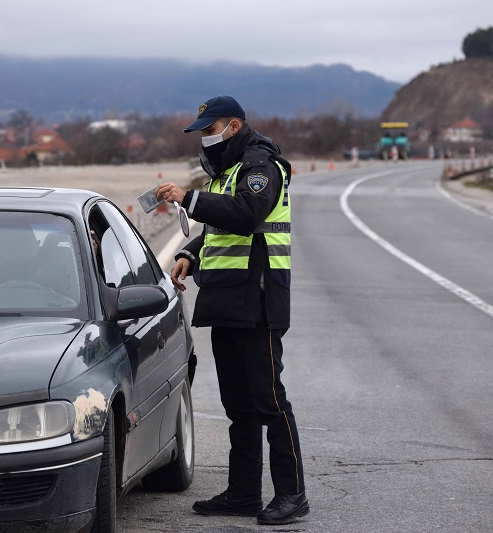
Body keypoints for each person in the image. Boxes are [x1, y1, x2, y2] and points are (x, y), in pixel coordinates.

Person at [155, 95, 308, 526]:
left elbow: (247, 214)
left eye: (210, 128)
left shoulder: (262, 167)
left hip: (258, 301)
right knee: (238, 405)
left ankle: (293, 494)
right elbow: (222, 229)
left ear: (234, 126)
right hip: (225, 300)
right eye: (201, 131)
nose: (205, 137)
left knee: (269, 401)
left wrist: (188, 198)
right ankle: (243, 492)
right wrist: (191, 253)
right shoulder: (227, 173)